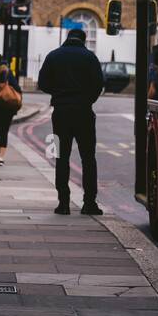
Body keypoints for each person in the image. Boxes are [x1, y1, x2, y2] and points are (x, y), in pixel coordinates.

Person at [37, 26, 104, 216]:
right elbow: (99, 84)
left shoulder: (53, 56)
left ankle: (63, 204)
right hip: (84, 113)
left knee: (61, 157)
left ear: (68, 38)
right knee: (88, 158)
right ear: (83, 40)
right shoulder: (90, 58)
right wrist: (87, 99)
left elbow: (42, 83)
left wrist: (58, 94)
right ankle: (89, 202)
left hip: (60, 114)